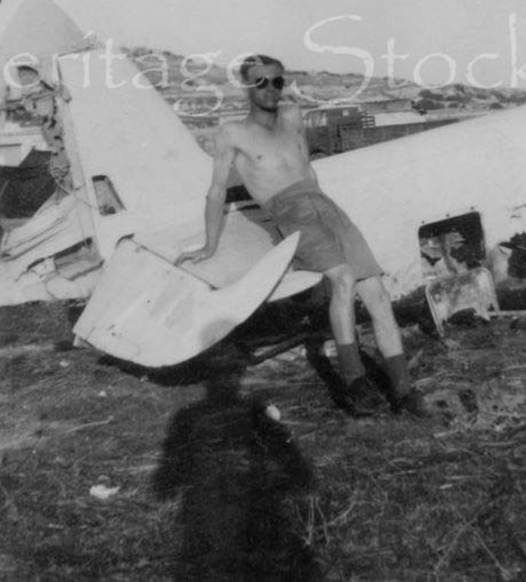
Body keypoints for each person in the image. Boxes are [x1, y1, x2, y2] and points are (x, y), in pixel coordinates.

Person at [177, 54, 430, 418]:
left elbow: (305, 167)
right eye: (260, 82)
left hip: (324, 205)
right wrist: (210, 244)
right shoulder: (232, 133)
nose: (270, 89)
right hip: (289, 211)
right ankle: (355, 383)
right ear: (247, 87)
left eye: (277, 81)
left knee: (376, 292)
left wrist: (323, 210)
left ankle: (404, 390)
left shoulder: (294, 117)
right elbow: (217, 192)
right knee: (342, 280)